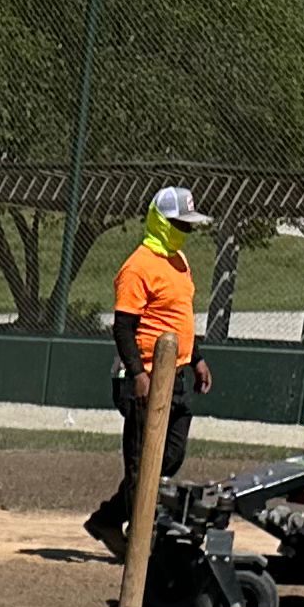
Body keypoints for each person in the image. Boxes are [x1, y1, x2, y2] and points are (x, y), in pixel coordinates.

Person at [83, 184, 213, 559]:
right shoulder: (137, 266)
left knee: (169, 457)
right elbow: (123, 327)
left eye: (188, 226)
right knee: (143, 464)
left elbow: (180, 318)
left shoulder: (179, 262)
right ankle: (139, 545)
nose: (185, 232)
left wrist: (198, 358)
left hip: (177, 374)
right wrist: (138, 374)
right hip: (144, 377)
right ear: (159, 221)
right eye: (179, 224)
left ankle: (108, 518)